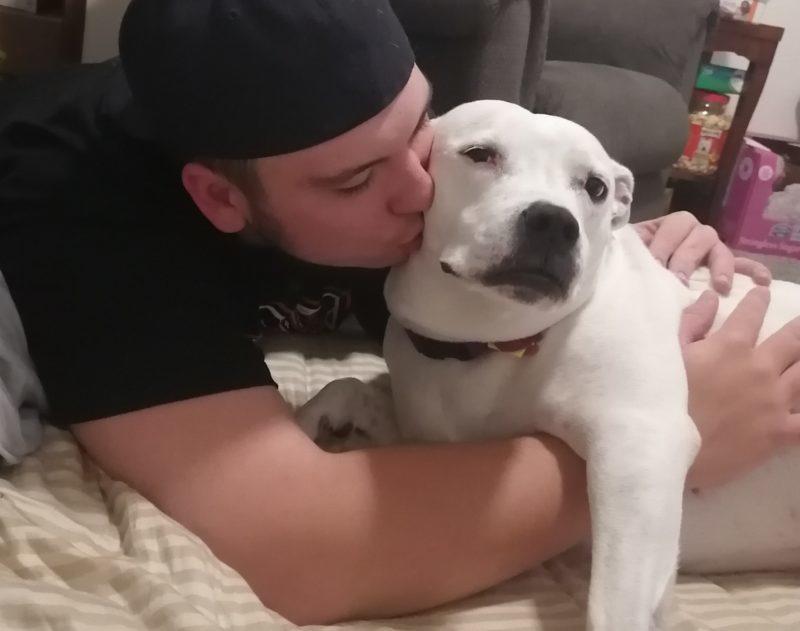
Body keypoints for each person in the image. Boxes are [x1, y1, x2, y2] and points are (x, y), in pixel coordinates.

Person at [0, 0, 797, 625]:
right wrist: (656, 447)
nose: (423, 194)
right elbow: (298, 548)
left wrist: (611, 237)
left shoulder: (397, 169)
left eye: (420, 131)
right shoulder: (82, 216)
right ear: (220, 200)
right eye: (355, 182)